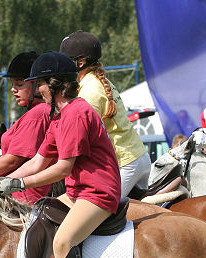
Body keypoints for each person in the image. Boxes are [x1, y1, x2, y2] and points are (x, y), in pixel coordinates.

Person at [0, 51, 121, 258]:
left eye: (39, 84)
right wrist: (0, 181)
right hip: (77, 193)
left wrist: (18, 183)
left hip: (98, 192)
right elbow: (39, 161)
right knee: (35, 217)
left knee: (63, 241)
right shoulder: (59, 116)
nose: (37, 89)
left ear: (55, 84)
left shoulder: (78, 113)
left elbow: (63, 168)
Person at [59, 31, 151, 198]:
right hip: (137, 157)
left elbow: (82, 138)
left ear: (80, 63)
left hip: (125, 163)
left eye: (66, 62)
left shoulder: (88, 92)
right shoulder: (101, 82)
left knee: (96, 213)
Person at [0, 51, 54, 204]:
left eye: (19, 84)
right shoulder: (34, 113)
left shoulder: (37, 114)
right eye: (13, 84)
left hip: (20, 199)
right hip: (9, 192)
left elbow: (12, 162)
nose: (13, 89)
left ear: (37, 85)